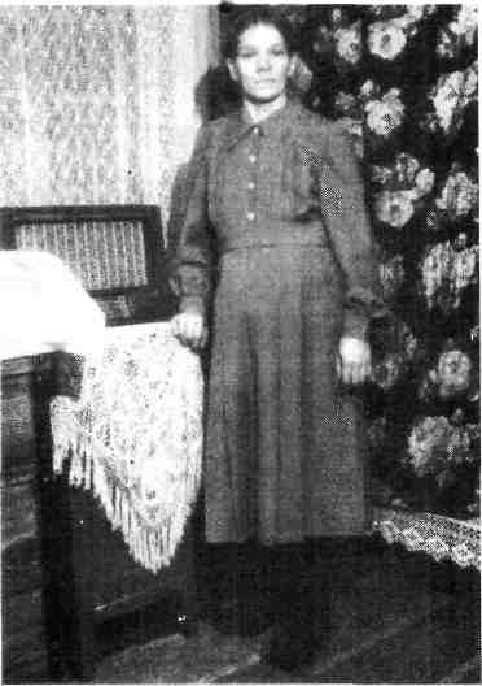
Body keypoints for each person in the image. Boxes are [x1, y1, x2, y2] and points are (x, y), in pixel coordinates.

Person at [171, 6, 386, 672]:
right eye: (249, 53)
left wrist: (356, 327)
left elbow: (352, 234)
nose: (263, 65)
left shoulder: (322, 137)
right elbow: (193, 237)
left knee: (304, 460)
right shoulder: (214, 141)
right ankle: (264, 601)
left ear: (291, 64)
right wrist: (192, 300)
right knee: (249, 456)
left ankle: (305, 617)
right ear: (232, 67)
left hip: (308, 314)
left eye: (274, 52)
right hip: (238, 315)